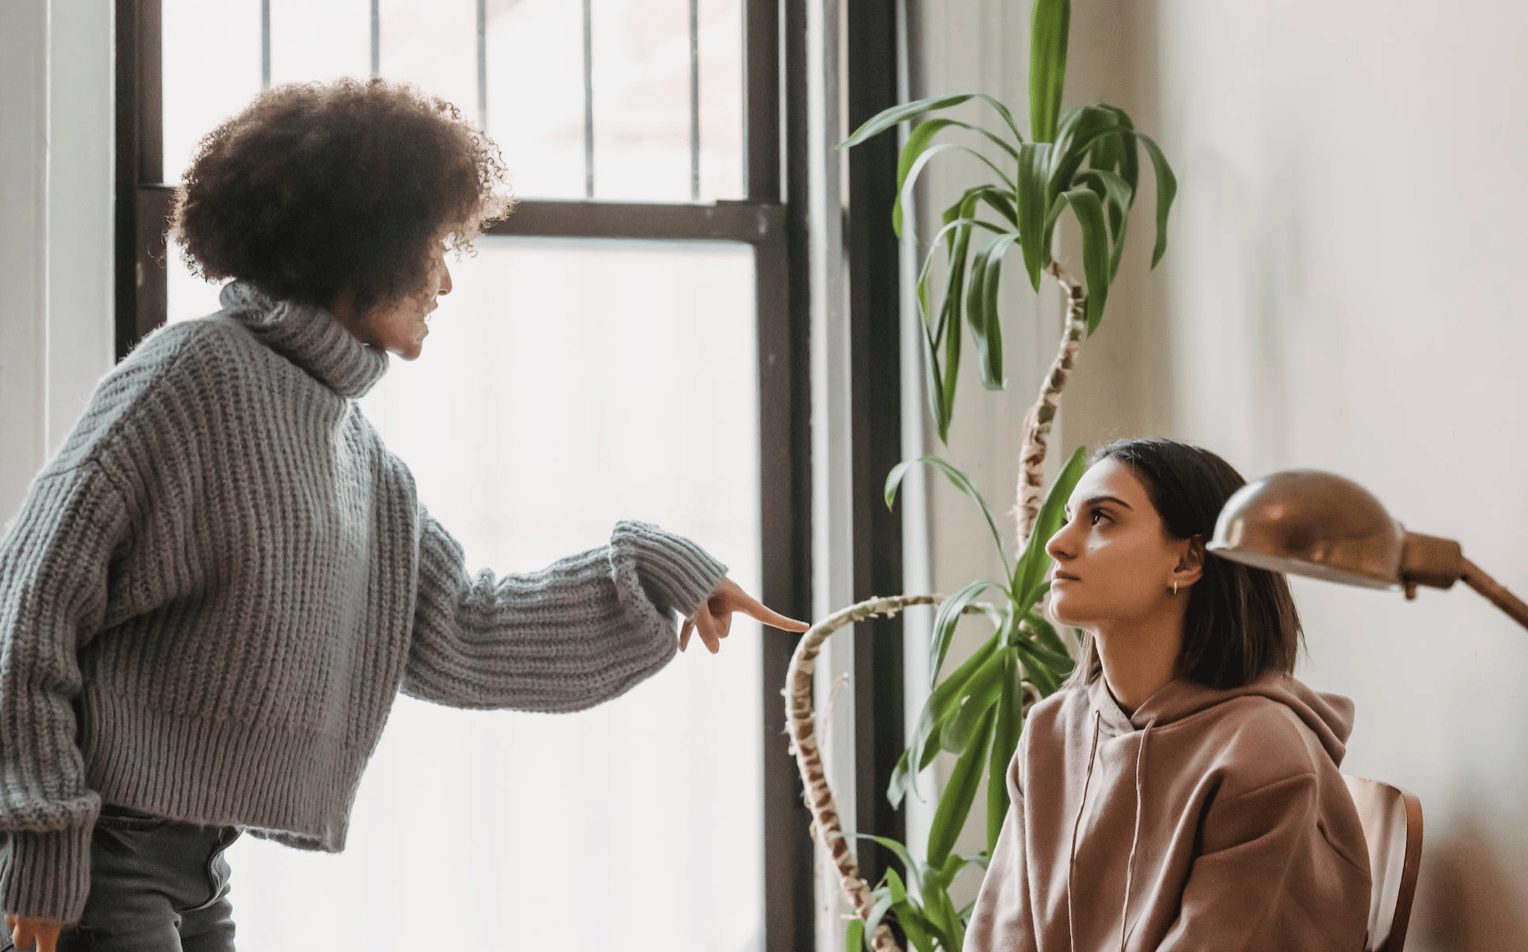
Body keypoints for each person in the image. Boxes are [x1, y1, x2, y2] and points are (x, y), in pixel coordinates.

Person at [0, 78, 807, 952]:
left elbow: (466, 626)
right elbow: (27, 613)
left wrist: (657, 570)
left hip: (197, 867)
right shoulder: (186, 378)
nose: (448, 281)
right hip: (100, 860)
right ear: (363, 246)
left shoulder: (357, 454)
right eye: (435, 245)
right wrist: (41, 849)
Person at [965, 438, 1370, 952]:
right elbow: (999, 938)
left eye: (1102, 519)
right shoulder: (1050, 734)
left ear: (1187, 561)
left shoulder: (1260, 756)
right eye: (1070, 516)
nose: (1058, 543)